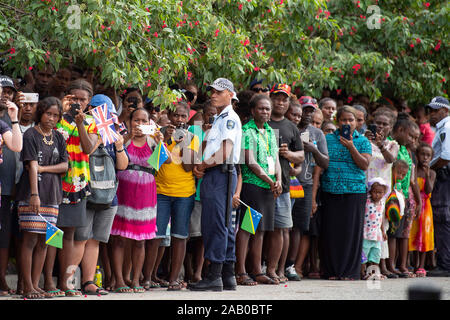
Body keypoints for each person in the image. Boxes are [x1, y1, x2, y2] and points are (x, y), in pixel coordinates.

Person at [72, 94, 129, 296]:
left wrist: (119, 145)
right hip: (86, 193)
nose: (108, 119)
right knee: (80, 239)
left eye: (109, 115)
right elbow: (85, 151)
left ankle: (88, 282)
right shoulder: (82, 129)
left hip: (108, 196)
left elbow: (122, 166)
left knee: (95, 240)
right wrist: (97, 131)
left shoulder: (113, 135)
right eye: (103, 114)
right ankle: (69, 281)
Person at [189, 78, 242, 292]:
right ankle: (227, 275)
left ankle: (214, 276)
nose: (213, 95)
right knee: (222, 224)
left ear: (230, 94)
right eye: (212, 91)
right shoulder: (220, 118)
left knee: (215, 225)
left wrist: (202, 165)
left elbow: (224, 153)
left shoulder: (229, 118)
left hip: (219, 174)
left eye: (219, 92)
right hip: (218, 174)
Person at [16, 97, 68, 299]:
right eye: (49, 114)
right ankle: (27, 286)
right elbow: (30, 166)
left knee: (44, 242)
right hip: (32, 193)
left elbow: (65, 166)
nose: (52, 118)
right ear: (41, 113)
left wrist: (43, 168)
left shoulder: (58, 137)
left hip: (53, 193)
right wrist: (34, 194)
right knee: (29, 239)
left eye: (56, 115)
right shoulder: (30, 135)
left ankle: (36, 285)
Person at [110, 108, 166, 293]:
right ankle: (119, 279)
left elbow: (166, 162)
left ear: (150, 123)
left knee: (140, 240)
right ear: (130, 121)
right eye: (136, 120)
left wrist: (160, 143)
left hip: (146, 194)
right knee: (119, 237)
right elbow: (116, 153)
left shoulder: (152, 141)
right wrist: (126, 137)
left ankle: (135, 279)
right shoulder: (122, 138)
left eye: (144, 120)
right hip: (124, 191)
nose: (139, 124)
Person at [53, 79, 99, 296]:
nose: (78, 103)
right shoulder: (56, 118)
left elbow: (88, 148)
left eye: (82, 99)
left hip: (77, 183)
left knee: (69, 234)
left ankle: (66, 282)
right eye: (75, 98)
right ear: (67, 98)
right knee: (52, 232)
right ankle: (49, 283)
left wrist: (80, 122)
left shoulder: (90, 121)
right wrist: (62, 114)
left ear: (88, 102)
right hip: (53, 181)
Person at [148, 101, 199, 291]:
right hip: (160, 192)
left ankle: (173, 279)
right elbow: (155, 164)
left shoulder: (193, 137)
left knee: (179, 236)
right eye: (176, 116)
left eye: (183, 116)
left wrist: (182, 141)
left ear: (188, 119)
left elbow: (188, 167)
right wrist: (166, 141)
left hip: (184, 193)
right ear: (169, 116)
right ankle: (147, 277)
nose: (179, 120)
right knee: (156, 236)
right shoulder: (160, 134)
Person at [320, 106, 372, 280]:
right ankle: (332, 271)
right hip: (331, 190)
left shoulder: (363, 141)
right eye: (344, 120)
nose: (347, 123)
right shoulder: (327, 139)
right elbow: (320, 165)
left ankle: (350, 272)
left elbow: (364, 165)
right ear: (337, 121)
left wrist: (351, 147)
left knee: (351, 233)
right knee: (331, 232)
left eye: (351, 120)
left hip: (354, 191)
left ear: (357, 122)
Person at [235, 94, 282, 286]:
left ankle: (257, 271)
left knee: (261, 230)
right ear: (253, 111)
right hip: (252, 185)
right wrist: (270, 181)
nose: (265, 111)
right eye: (261, 108)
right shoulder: (247, 131)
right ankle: (241, 271)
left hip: (268, 187)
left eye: (267, 109)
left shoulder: (271, 131)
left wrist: (278, 179)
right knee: (247, 228)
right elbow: (250, 161)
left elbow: (276, 158)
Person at [265, 84, 304, 284]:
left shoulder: (291, 127)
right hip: (258, 185)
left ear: (288, 103)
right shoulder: (260, 122)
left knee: (282, 228)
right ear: (270, 99)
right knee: (256, 229)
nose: (280, 102)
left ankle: (277, 269)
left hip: (283, 187)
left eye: (284, 99)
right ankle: (253, 269)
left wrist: (288, 154)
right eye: (277, 98)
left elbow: (301, 155)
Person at [288, 96, 328, 281]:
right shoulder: (288, 127)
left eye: (311, 111)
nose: (308, 114)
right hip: (284, 182)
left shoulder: (317, 133)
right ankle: (272, 264)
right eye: (305, 110)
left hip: (304, 185)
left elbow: (325, 162)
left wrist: (313, 149)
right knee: (279, 227)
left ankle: (291, 266)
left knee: (299, 228)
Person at [365, 107, 400, 278]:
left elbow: (390, 159)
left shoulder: (392, 145)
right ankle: (364, 266)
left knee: (381, 229)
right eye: (377, 123)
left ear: (390, 127)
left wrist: (380, 146)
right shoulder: (365, 141)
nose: (380, 126)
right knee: (366, 229)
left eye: (384, 124)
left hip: (382, 193)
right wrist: (367, 141)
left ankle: (380, 266)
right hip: (366, 190)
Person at [185, 103, 217, 284]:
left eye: (215, 115)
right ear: (203, 115)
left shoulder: (221, 133)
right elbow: (186, 158)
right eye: (210, 114)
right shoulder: (194, 131)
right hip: (190, 188)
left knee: (204, 235)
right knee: (188, 234)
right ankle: (187, 270)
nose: (212, 118)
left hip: (209, 190)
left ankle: (198, 271)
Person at [386, 117, 421, 278]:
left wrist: (418, 200)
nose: (414, 140)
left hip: (405, 197)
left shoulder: (408, 151)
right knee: (392, 233)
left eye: (416, 138)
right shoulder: (391, 145)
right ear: (400, 131)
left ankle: (402, 265)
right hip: (391, 196)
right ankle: (390, 265)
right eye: (411, 136)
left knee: (403, 233)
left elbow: (412, 179)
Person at [0, 78, 23, 296]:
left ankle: (1, 279)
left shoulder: (7, 120)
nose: (5, 95)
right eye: (1, 90)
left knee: (3, 236)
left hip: (5, 188)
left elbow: (16, 146)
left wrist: (16, 117)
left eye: (9, 91)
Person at [426, 97, 450, 277]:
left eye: (435, 111)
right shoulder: (441, 128)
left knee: (443, 220)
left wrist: (428, 168)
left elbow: (446, 157)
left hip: (444, 175)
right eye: (430, 111)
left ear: (445, 111)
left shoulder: (447, 127)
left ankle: (445, 265)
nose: (431, 114)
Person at [408, 143, 436, 277]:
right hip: (414, 204)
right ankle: (411, 264)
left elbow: (429, 190)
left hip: (426, 207)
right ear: (417, 156)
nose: (425, 157)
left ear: (431, 158)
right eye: (422, 154)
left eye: (428, 155)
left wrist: (426, 172)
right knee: (412, 233)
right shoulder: (413, 169)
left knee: (424, 235)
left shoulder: (432, 173)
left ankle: (421, 266)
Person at [361, 178, 389, 280]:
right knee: (364, 255)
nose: (377, 195)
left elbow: (381, 218)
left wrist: (383, 231)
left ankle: (374, 272)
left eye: (380, 192)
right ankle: (363, 272)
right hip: (366, 233)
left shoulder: (382, 203)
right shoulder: (367, 201)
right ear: (370, 192)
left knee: (376, 255)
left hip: (377, 234)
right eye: (375, 192)